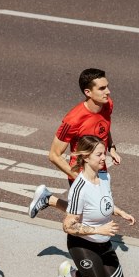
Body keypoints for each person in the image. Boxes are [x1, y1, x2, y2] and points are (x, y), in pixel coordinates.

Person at [56, 135, 134, 277]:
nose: (104, 158)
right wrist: (99, 229)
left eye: (104, 153)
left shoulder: (104, 177)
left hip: (103, 242)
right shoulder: (79, 188)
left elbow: (105, 203)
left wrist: (120, 212)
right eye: (99, 154)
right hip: (82, 245)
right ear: (85, 157)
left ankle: (71, 275)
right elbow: (68, 225)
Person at [28, 67, 120, 219]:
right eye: (102, 88)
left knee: (99, 210)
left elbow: (104, 129)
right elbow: (54, 155)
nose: (108, 91)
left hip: (101, 168)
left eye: (107, 86)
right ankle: (49, 200)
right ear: (88, 92)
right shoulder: (73, 120)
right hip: (81, 172)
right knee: (89, 214)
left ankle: (47, 199)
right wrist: (79, 178)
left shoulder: (107, 105)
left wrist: (112, 148)